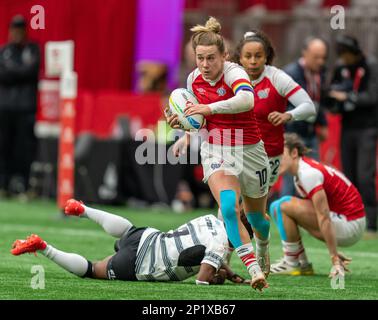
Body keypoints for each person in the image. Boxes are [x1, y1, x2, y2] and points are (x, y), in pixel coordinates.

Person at [166, 17, 270, 290]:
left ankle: (263, 245)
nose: (205, 64)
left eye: (211, 58)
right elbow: (193, 115)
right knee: (228, 207)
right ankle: (254, 269)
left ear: (224, 56)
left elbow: (247, 99)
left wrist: (209, 109)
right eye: (200, 58)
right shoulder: (193, 79)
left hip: (250, 150)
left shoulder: (235, 73)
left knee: (258, 218)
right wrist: (184, 131)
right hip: (218, 147)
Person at [11, 199, 250, 286]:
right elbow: (201, 280)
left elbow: (201, 251)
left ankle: (83, 210)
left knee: (127, 229)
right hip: (141, 264)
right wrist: (215, 277)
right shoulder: (220, 245)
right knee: (93, 270)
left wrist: (227, 272)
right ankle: (43, 247)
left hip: (148, 236)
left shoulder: (210, 220)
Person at [269, 133, 366, 277]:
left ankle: (292, 262)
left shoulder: (307, 174)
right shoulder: (302, 173)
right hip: (347, 221)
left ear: (294, 153)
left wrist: (334, 259)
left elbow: (324, 216)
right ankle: (301, 264)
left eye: (280, 154)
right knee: (280, 206)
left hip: (350, 223)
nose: (277, 159)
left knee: (281, 205)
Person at [232, 30, 316, 188]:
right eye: (248, 56)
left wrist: (288, 115)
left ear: (266, 57)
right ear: (240, 58)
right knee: (230, 206)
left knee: (251, 208)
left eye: (258, 56)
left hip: (269, 155)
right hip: (237, 151)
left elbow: (309, 108)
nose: (253, 61)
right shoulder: (231, 77)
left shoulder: (277, 78)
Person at [328, 35, 377, 234]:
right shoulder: (341, 67)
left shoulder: (371, 65)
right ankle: (352, 220)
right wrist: (334, 100)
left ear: (354, 52)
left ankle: (371, 221)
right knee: (349, 174)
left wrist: (348, 97)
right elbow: (331, 91)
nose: (343, 59)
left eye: (346, 54)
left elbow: (373, 96)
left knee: (365, 175)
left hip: (368, 128)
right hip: (347, 127)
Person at [280, 37, 329, 197]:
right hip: (292, 134)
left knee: (314, 176)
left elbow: (318, 101)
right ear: (305, 53)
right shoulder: (291, 73)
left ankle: (307, 216)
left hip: (310, 133)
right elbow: (284, 105)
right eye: (316, 57)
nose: (320, 61)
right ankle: (284, 215)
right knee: (290, 178)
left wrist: (322, 123)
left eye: (323, 57)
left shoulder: (320, 73)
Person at [0, 15, 40, 199]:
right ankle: (4, 184)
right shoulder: (4, 51)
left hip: (25, 108)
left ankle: (24, 185)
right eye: (13, 29)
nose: (17, 32)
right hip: (5, 107)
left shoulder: (32, 50)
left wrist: (12, 71)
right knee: (4, 147)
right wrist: (19, 71)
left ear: (25, 31)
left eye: (20, 29)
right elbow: (4, 75)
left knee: (24, 149)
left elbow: (30, 71)